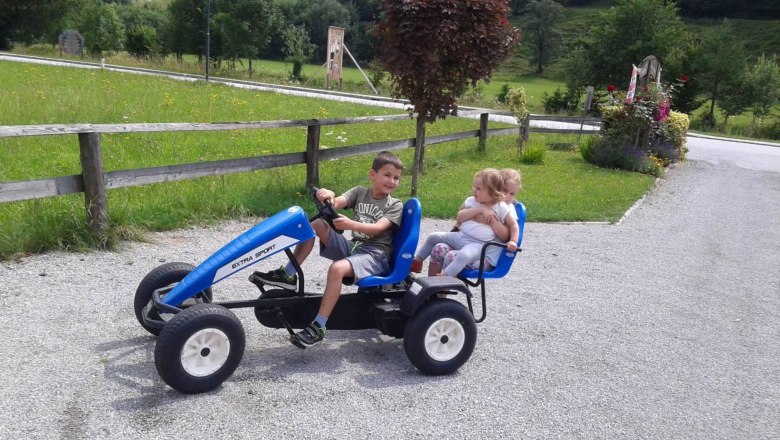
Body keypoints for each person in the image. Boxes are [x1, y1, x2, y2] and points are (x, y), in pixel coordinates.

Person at [250, 151, 404, 347]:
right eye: (387, 175)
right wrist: (328, 195)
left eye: (396, 178)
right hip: (355, 248)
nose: (392, 181)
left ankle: (319, 325)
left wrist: (351, 225)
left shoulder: (395, 205)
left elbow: (377, 229)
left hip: (375, 255)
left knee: (337, 269)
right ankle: (289, 274)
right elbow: (336, 202)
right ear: (372, 175)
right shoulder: (359, 192)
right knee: (315, 225)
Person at [409, 168, 519, 277]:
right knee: (433, 237)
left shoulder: (501, 207)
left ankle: (443, 276)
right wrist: (479, 210)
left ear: (492, 192)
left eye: (478, 188)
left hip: (477, 244)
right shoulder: (472, 201)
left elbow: (513, 225)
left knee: (463, 255)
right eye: (474, 187)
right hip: (461, 236)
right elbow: (459, 217)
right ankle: (418, 262)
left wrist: (513, 241)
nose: (474, 190)